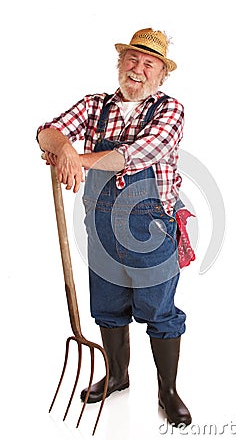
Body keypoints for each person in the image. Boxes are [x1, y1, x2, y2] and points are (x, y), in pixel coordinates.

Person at [37, 27, 194, 427]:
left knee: (159, 310)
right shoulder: (94, 104)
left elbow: (135, 154)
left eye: (149, 64)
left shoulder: (169, 109)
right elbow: (46, 132)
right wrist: (64, 148)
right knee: (107, 306)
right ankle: (119, 375)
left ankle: (168, 390)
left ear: (161, 75)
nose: (138, 70)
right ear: (120, 63)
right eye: (132, 60)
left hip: (152, 226)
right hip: (102, 225)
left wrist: (75, 160)